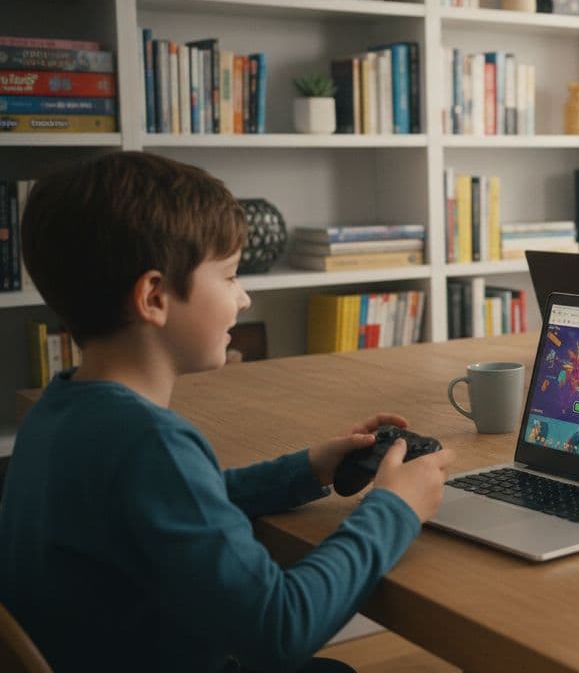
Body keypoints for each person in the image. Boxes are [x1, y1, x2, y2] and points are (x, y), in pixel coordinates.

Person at [0, 153, 455, 672]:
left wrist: (308, 469)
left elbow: (180, 506)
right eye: (230, 276)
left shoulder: (58, 410)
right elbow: (282, 628)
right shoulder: (152, 443)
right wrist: (395, 508)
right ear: (154, 297)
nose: (244, 299)